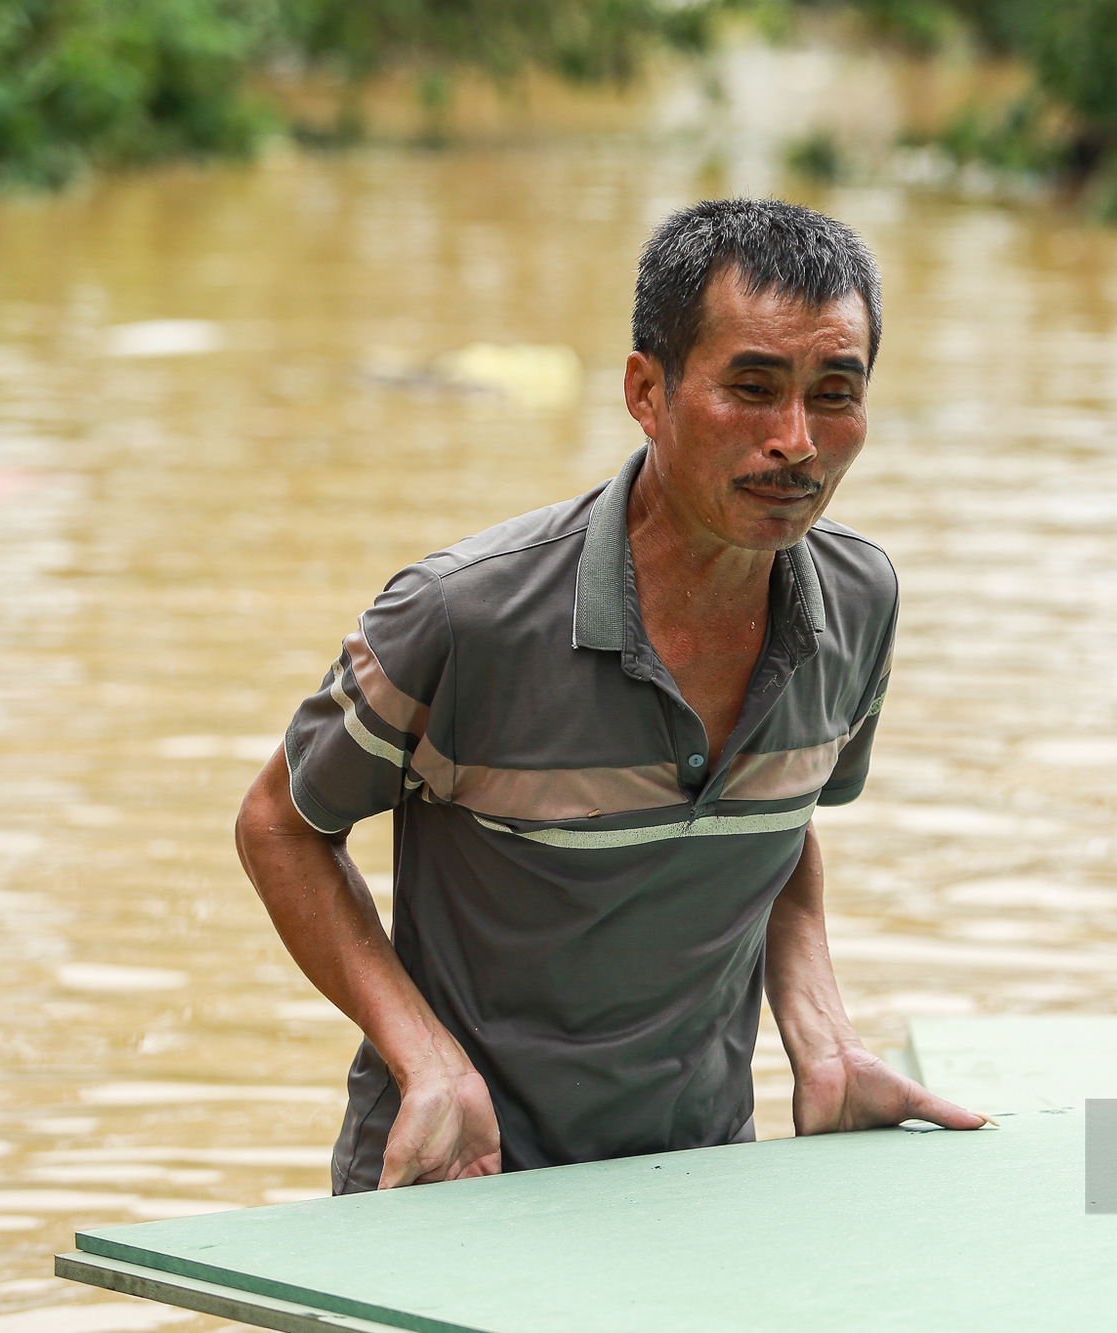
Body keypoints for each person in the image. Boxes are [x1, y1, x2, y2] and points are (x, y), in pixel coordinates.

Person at [234, 199, 987, 1194]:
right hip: (459, 1173)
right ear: (647, 391)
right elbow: (277, 827)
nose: (796, 440)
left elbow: (778, 822)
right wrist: (427, 1058)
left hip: (698, 1182)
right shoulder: (465, 615)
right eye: (751, 387)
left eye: (833, 391)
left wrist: (822, 1038)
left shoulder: (858, 599)